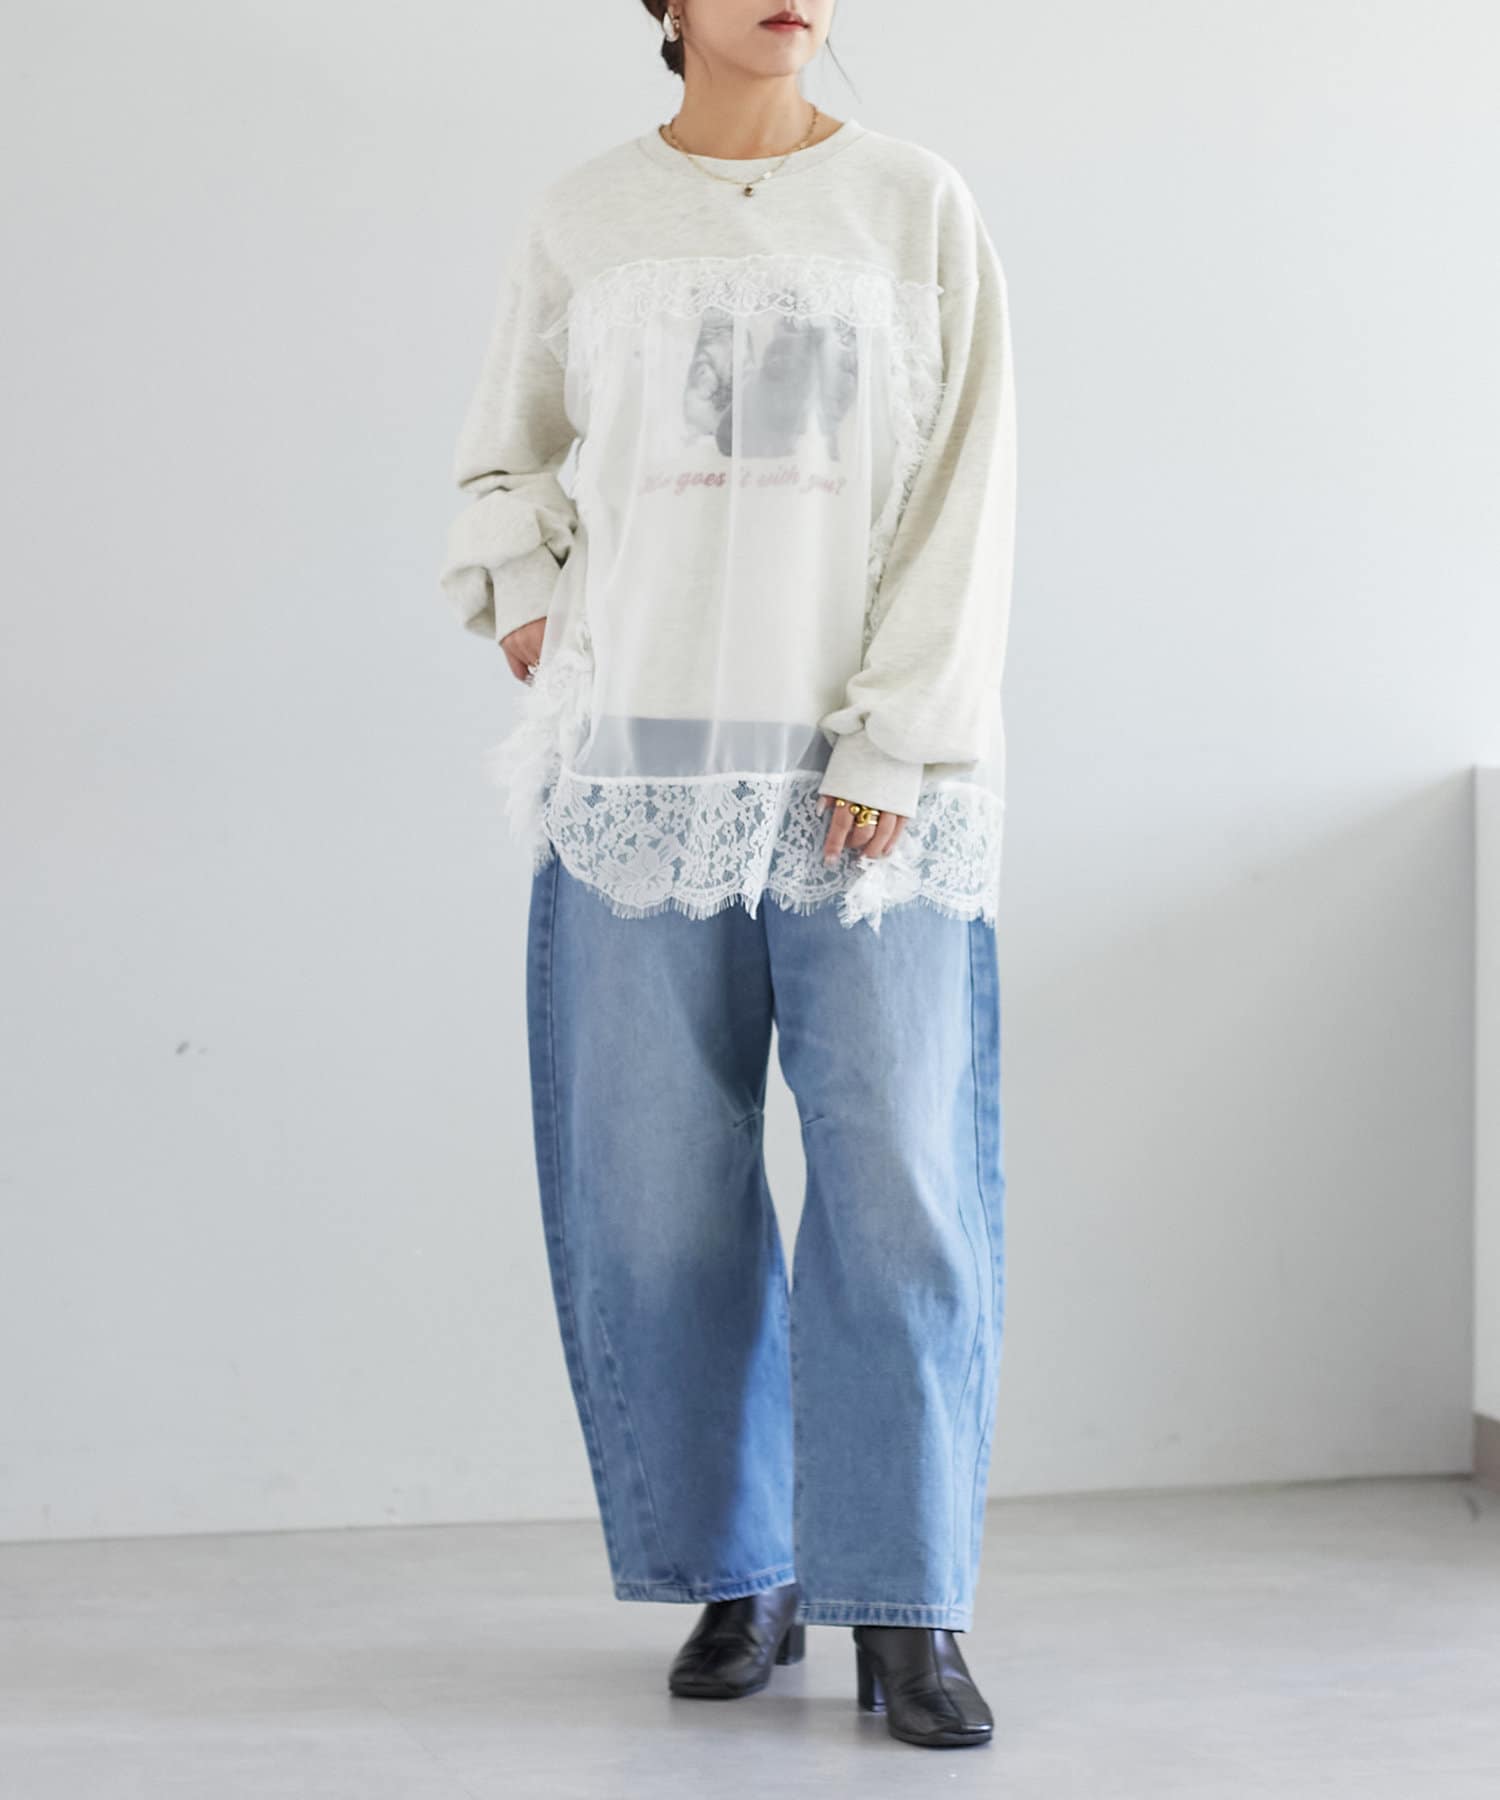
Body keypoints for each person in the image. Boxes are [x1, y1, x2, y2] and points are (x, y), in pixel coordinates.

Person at [438, 0, 1016, 1753]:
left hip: (867, 785)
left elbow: (968, 492)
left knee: (902, 1197)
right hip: (641, 777)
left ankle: (904, 1605)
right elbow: (500, 457)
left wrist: (897, 740)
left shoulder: (913, 202)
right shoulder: (587, 214)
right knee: (655, 1200)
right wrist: (529, 595)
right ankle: (739, 1572)